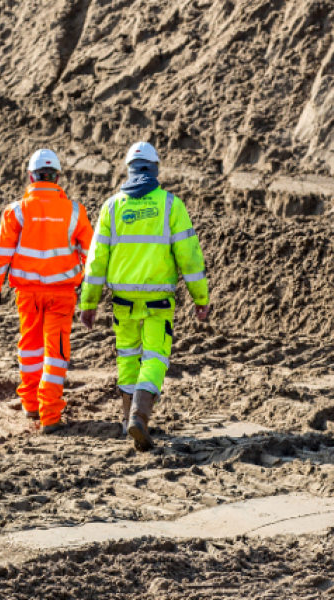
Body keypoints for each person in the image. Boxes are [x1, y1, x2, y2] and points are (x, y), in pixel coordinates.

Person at [79, 142, 210, 451]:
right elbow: (190, 257)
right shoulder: (170, 205)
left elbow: (96, 261)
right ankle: (140, 414)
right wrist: (200, 298)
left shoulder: (112, 207)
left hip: (123, 301)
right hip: (158, 301)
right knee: (154, 357)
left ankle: (127, 419)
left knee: (127, 357)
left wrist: (88, 302)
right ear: (155, 170)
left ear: (129, 170)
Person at [0, 149, 94, 434]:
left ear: (31, 177)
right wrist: (89, 286)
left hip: (28, 294)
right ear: (57, 177)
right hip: (62, 294)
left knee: (31, 349)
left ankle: (31, 404)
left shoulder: (17, 210)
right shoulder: (75, 211)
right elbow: (90, 254)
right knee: (56, 354)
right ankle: (50, 415)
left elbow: (1, 252)